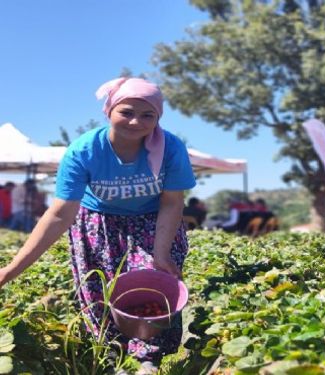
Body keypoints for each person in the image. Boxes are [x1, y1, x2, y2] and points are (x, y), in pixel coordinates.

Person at [0, 77, 196, 373]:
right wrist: (10, 270)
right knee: (101, 291)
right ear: (109, 111)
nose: (135, 122)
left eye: (148, 115)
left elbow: (171, 202)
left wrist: (161, 253)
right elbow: (59, 214)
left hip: (153, 222)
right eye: (126, 112)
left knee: (153, 282)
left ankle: (148, 360)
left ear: (158, 117)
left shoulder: (170, 148)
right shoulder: (84, 151)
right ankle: (113, 357)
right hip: (99, 223)